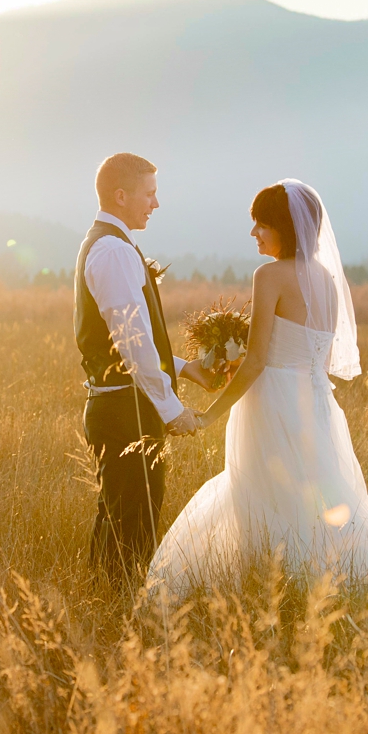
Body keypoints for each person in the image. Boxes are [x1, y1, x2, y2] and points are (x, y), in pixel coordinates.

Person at [146, 179, 368, 599]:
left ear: (285, 228)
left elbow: (255, 362)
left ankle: (271, 584)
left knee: (261, 491)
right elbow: (317, 357)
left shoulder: (269, 275)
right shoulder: (325, 278)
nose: (254, 233)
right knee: (318, 492)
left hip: (271, 401)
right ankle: (328, 582)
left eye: (261, 225)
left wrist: (208, 415)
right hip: (317, 401)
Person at [74, 153, 220, 591]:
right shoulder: (113, 251)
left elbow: (131, 340)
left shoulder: (110, 246)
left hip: (121, 404)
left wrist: (186, 368)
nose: (156, 204)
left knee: (121, 519)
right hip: (126, 411)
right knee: (132, 526)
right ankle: (120, 616)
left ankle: (107, 608)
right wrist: (172, 410)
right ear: (121, 195)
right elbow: (133, 345)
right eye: (149, 193)